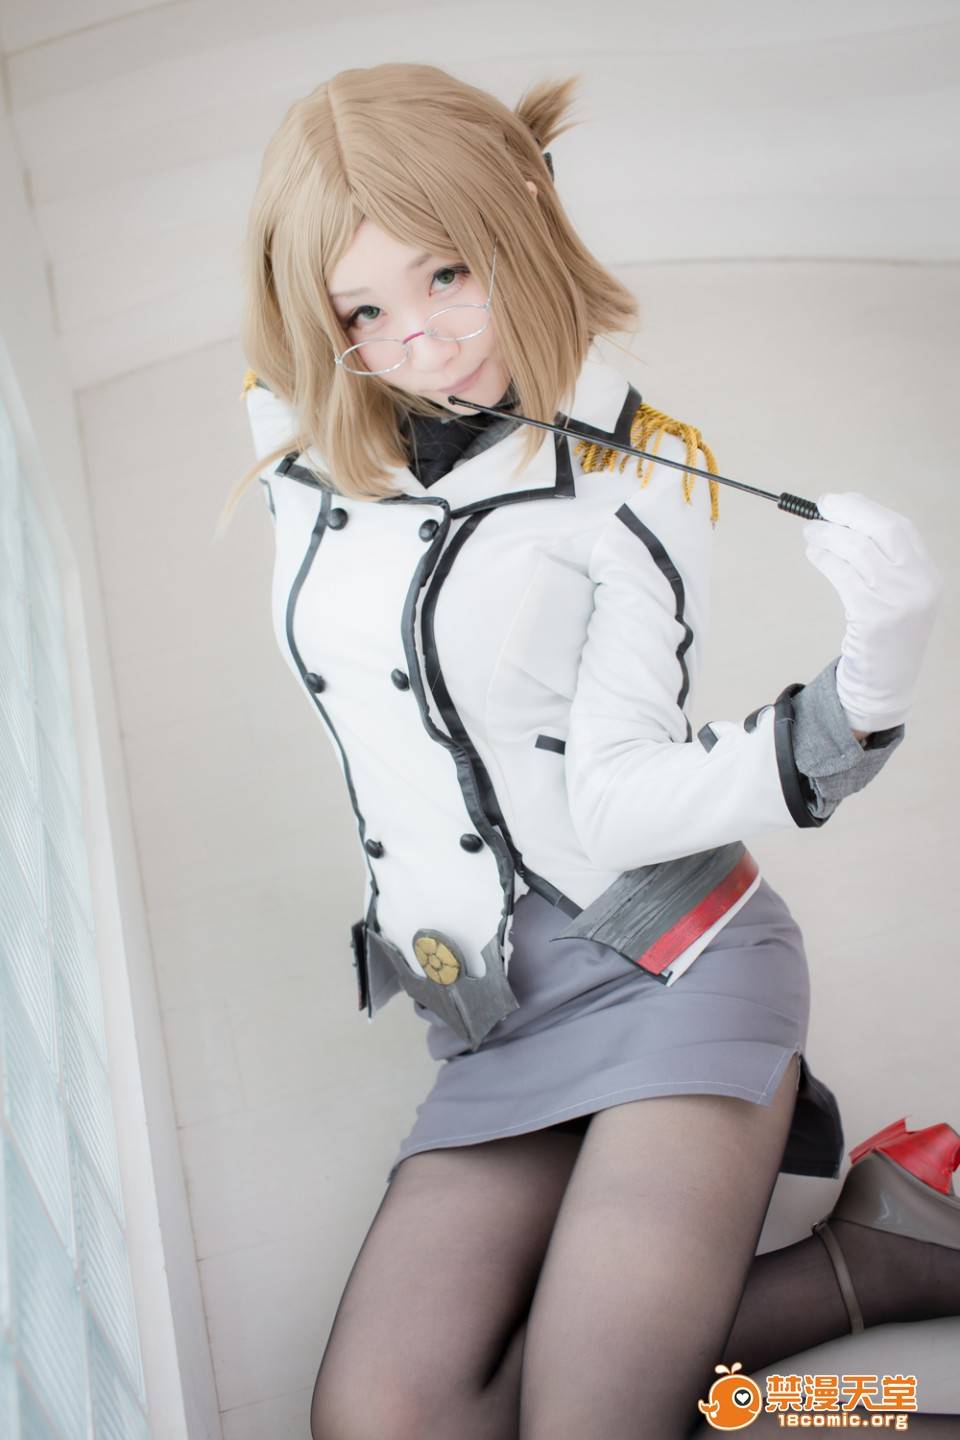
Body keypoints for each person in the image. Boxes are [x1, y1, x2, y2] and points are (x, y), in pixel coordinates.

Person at [220, 61, 958, 1440]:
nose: (422, 340)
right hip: (495, 1011)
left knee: (592, 1421)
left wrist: (862, 689)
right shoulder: (301, 439)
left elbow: (619, 794)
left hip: (672, 969)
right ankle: (875, 1253)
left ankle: (881, 1372)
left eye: (450, 273)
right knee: (385, 1423)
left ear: (522, 216)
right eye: (364, 309)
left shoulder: (637, 476)